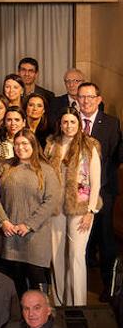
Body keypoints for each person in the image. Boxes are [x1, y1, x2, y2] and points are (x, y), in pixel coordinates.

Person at [45, 108, 101, 305]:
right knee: (57, 256)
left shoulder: (89, 146)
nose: (68, 126)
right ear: (60, 124)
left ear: (79, 125)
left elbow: (96, 181)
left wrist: (90, 211)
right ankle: (59, 302)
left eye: (72, 122)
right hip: (55, 209)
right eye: (65, 122)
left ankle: (77, 304)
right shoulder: (51, 145)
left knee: (76, 255)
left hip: (80, 208)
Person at [0, 129, 61, 295]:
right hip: (8, 236)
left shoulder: (46, 170)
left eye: (24, 143)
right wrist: (3, 221)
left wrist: (29, 225)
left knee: (37, 286)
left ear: (33, 145)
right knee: (13, 286)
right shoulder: (4, 166)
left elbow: (51, 201)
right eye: (16, 144)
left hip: (35, 237)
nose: (20, 147)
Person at [75, 81, 120, 294]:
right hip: (75, 195)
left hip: (103, 191)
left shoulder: (111, 123)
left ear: (99, 100)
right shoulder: (70, 121)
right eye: (82, 97)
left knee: (105, 239)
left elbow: (113, 157)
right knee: (80, 239)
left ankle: (107, 288)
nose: (85, 101)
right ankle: (78, 287)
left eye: (90, 97)